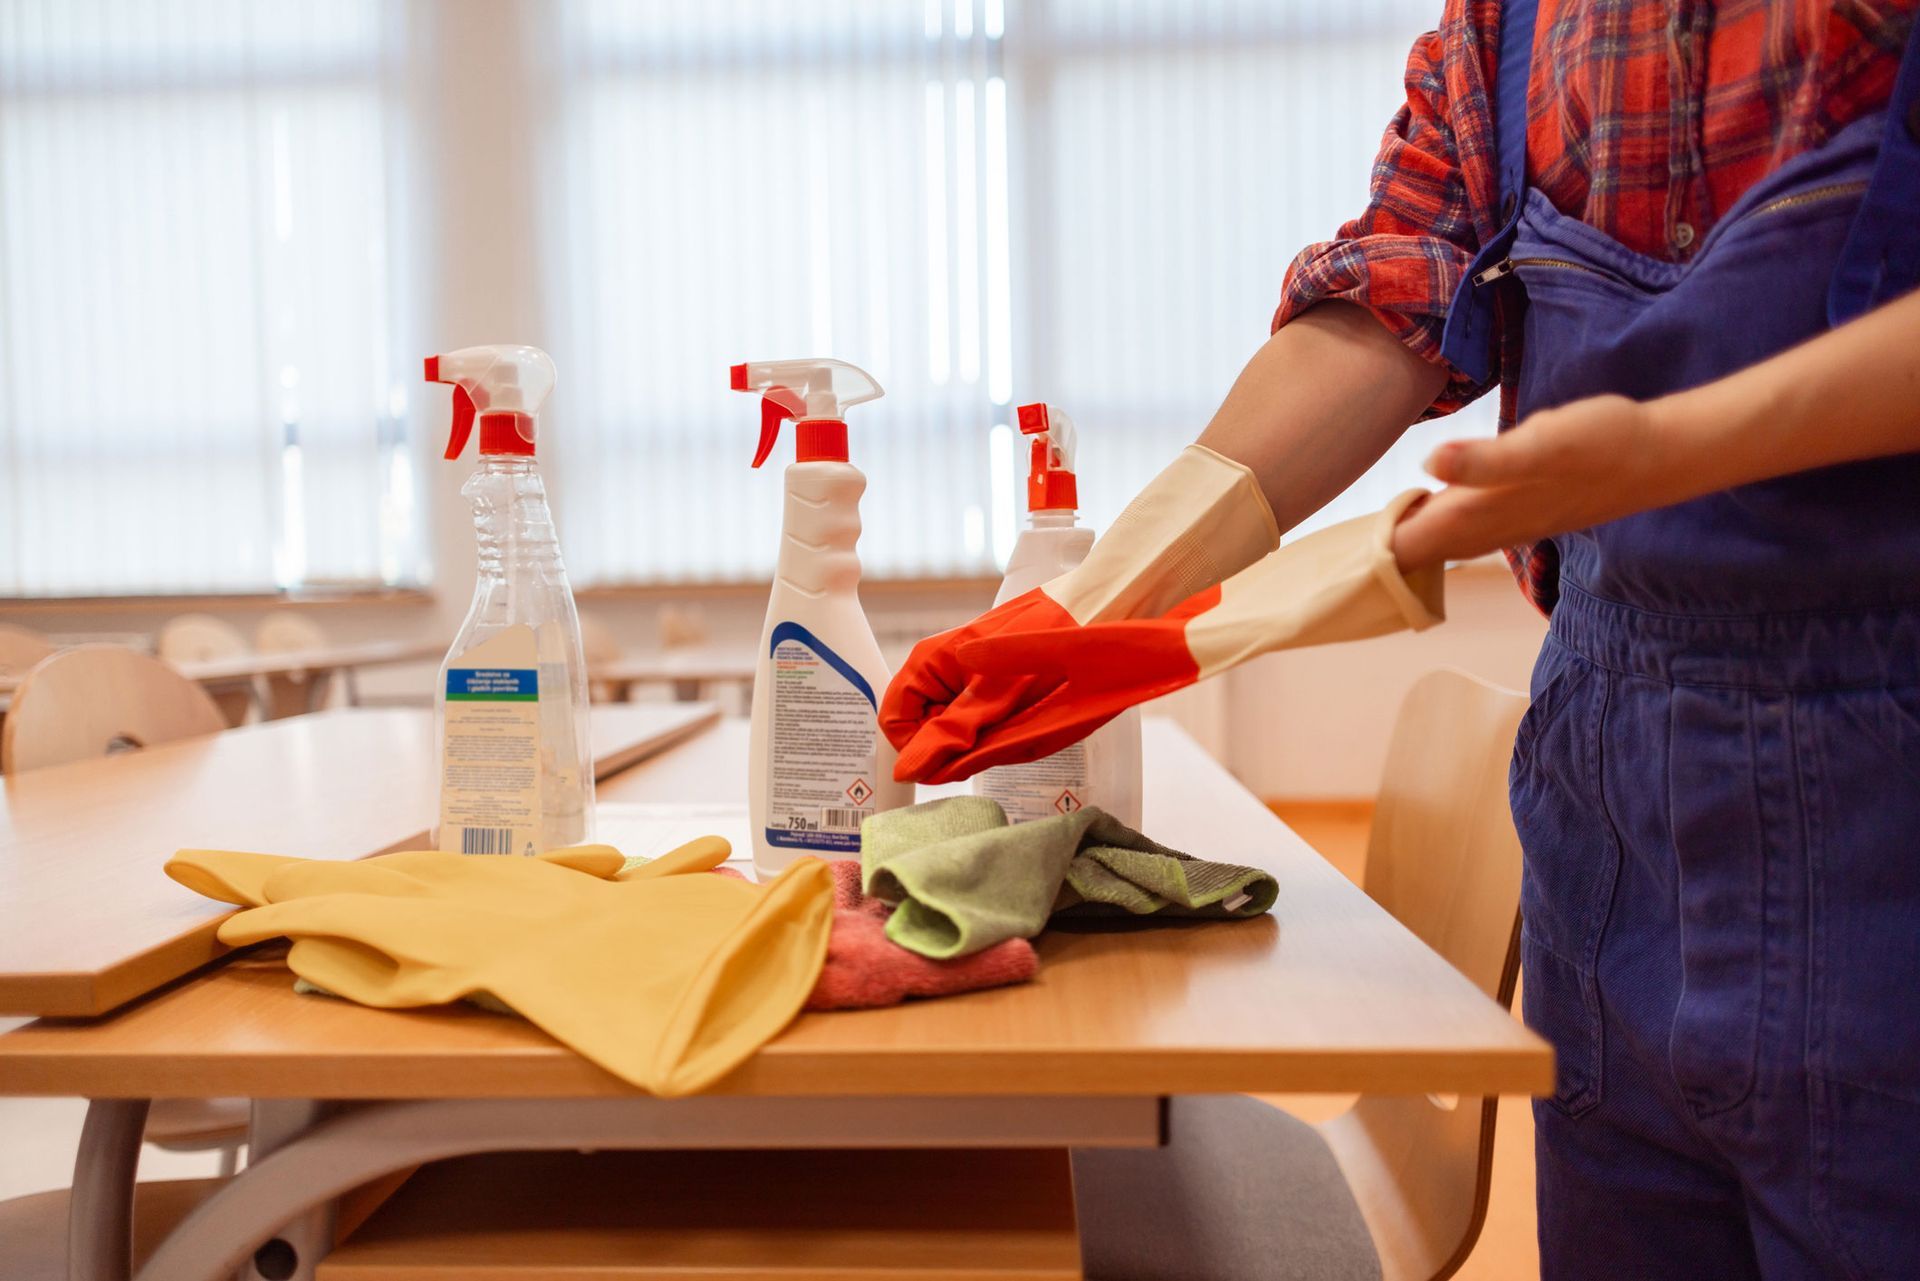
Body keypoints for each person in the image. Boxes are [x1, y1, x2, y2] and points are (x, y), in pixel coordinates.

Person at [882, 1, 1920, 1276]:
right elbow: (1396, 295)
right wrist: (1100, 609)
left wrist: (1670, 449)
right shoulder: (1514, 23)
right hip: (1612, 797)